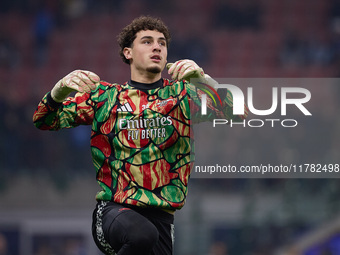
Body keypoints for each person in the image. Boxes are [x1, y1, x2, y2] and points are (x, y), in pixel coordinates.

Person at [33, 16, 247, 255]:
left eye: (162, 43)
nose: (157, 46)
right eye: (147, 41)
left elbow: (239, 112)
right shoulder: (105, 97)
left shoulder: (183, 96)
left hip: (162, 223)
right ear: (128, 53)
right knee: (141, 234)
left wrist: (203, 79)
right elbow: (43, 120)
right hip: (114, 213)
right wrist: (58, 90)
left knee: (147, 235)